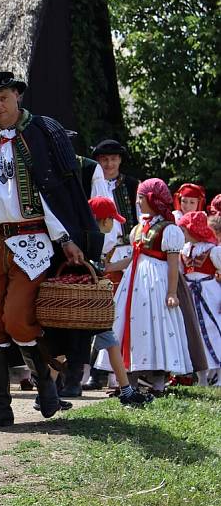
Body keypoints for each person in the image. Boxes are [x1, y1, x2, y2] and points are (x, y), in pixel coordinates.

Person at [0, 70, 103, 432]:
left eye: (3, 99)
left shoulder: (44, 133)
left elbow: (53, 194)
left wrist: (66, 239)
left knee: (18, 318)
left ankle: (46, 384)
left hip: (34, 240)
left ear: (17, 96)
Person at [95, 178, 193, 394]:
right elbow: (133, 258)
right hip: (134, 282)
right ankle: (130, 378)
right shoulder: (139, 228)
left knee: (156, 326)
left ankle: (158, 380)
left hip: (155, 285)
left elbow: (173, 263)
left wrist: (171, 292)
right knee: (133, 324)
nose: (137, 201)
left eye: (141, 197)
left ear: (152, 199)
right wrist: (110, 266)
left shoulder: (168, 230)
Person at [87, 197, 154, 405]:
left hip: (85, 305)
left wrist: (133, 258)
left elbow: (105, 268)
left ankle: (125, 390)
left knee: (110, 342)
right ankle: (48, 391)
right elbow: (98, 269)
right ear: (104, 220)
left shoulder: (88, 236)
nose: (114, 224)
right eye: (112, 220)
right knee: (105, 343)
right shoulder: (95, 239)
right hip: (91, 305)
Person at [85, 138, 140, 391]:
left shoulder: (131, 185)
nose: (109, 163)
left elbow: (139, 220)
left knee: (116, 313)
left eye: (113, 159)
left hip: (124, 251)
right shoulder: (90, 183)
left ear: (120, 160)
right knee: (96, 312)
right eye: (104, 159)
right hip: (97, 251)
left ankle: (118, 371)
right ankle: (95, 370)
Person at [178, 211, 221, 386]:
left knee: (214, 330)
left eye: (184, 230)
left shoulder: (214, 251)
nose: (182, 233)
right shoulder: (184, 250)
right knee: (195, 333)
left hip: (210, 295)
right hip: (190, 294)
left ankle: (217, 374)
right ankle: (202, 376)